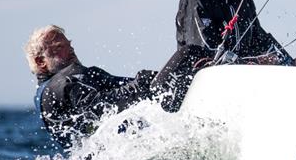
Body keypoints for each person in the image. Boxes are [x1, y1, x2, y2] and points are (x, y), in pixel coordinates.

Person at [24, 25, 209, 148]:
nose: (71, 49)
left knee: (178, 69)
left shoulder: (67, 81)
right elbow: (100, 108)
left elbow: (122, 86)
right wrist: (140, 84)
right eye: (59, 47)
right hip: (119, 147)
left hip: (124, 142)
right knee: (188, 53)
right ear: (41, 61)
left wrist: (145, 79)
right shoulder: (61, 84)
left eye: (69, 44)